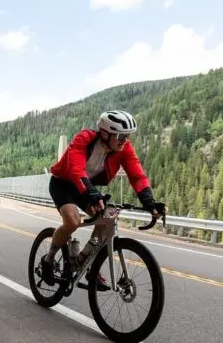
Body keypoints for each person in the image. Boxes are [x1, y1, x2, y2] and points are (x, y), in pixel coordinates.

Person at [42, 110, 166, 290]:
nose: (125, 140)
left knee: (106, 218)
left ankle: (87, 263)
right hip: (63, 183)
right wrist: (92, 194)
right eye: (121, 136)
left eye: (127, 136)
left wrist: (150, 201)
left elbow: (137, 176)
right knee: (73, 221)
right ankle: (49, 259)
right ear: (106, 133)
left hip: (84, 187)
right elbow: (76, 170)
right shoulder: (84, 139)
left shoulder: (124, 149)